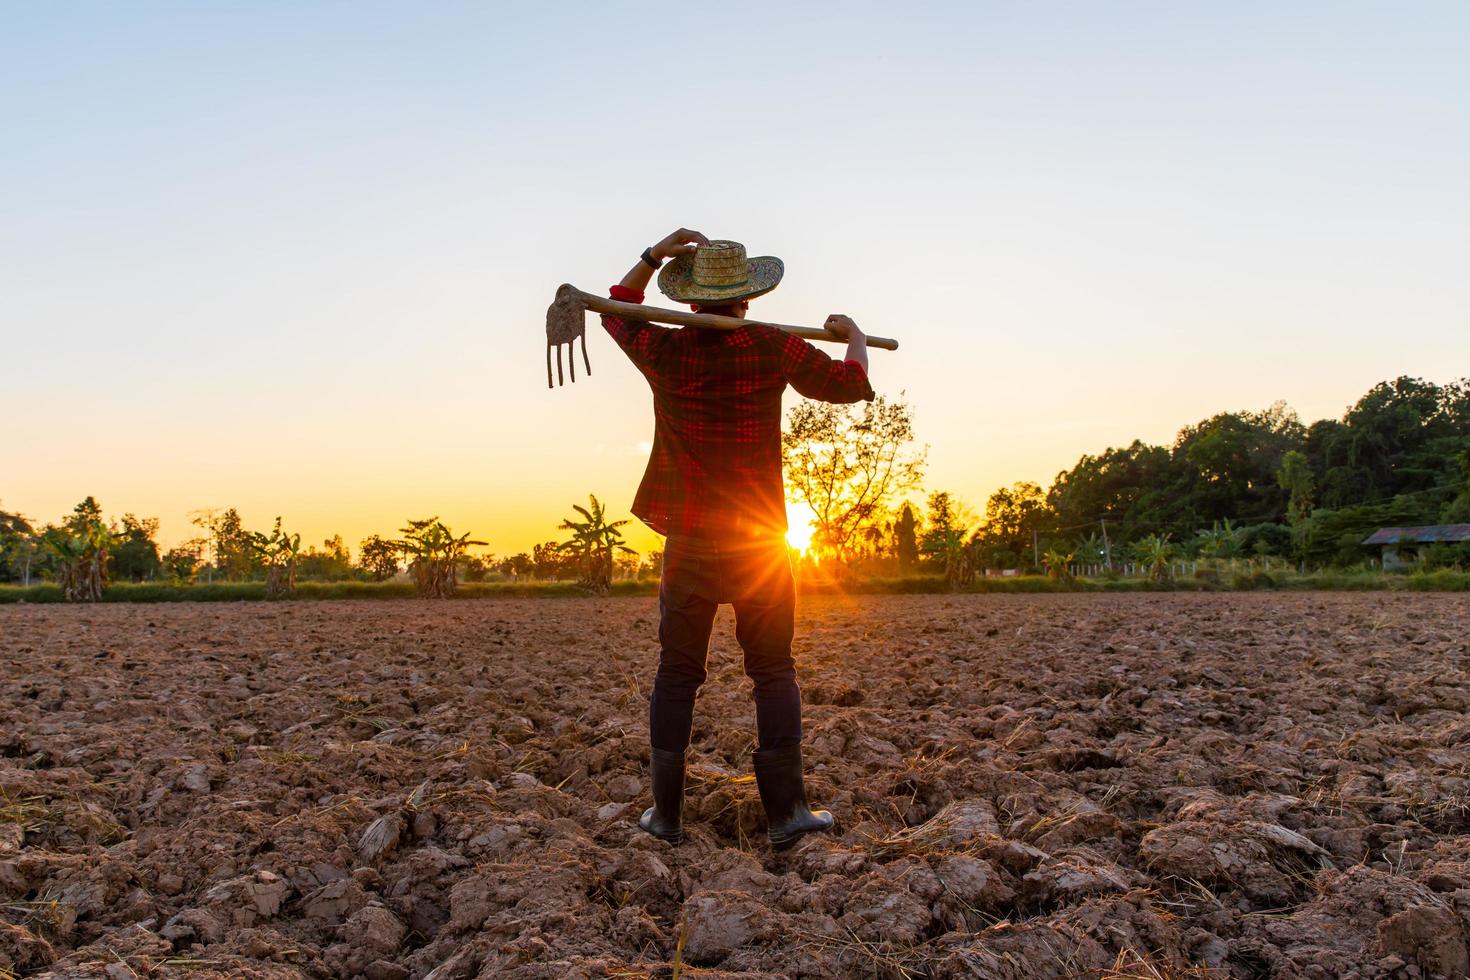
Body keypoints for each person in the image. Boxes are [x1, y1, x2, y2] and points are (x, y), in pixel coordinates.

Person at [600, 228, 875, 849]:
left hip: (691, 540)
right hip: (760, 543)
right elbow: (847, 384)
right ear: (748, 298)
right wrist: (854, 337)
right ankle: (787, 814)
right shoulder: (771, 346)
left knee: (677, 672)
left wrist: (652, 255)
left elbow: (618, 306)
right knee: (773, 669)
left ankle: (664, 816)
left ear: (692, 301)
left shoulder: (664, 350)